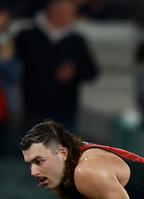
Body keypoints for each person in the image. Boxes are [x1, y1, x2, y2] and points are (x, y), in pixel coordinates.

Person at [15, 0, 98, 130]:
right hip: (35, 111)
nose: (71, 14)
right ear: (53, 8)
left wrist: (74, 71)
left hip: (66, 112)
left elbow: (92, 71)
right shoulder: (27, 37)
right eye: (66, 9)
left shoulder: (77, 40)